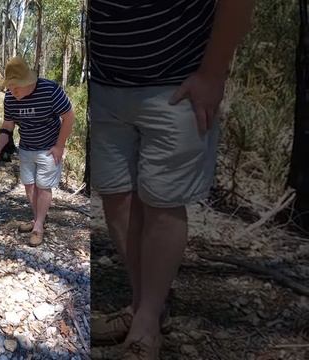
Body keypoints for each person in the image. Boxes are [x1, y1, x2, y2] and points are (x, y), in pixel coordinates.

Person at [88, 1, 255, 359]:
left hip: (175, 86)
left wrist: (213, 73)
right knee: (115, 196)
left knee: (162, 203)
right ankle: (143, 304)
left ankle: (146, 324)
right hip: (105, 85)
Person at [0, 56, 75, 247]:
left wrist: (60, 146)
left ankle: (38, 226)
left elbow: (69, 117)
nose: (13, 91)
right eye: (10, 87)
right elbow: (8, 125)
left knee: (43, 186)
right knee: (29, 185)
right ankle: (37, 218)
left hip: (49, 148)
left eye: (17, 86)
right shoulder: (10, 98)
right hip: (26, 147)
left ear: (29, 81)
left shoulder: (50, 90)